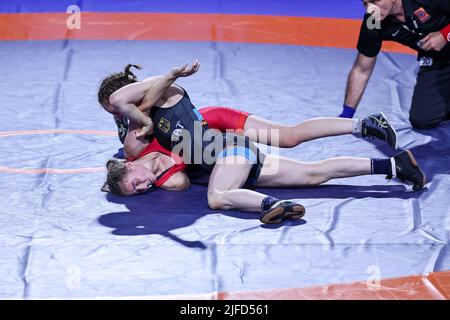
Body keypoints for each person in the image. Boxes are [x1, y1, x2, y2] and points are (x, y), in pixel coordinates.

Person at [100, 64, 426, 224]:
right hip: (221, 148)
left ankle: (362, 125)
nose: (144, 186)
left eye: (136, 184)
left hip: (221, 126)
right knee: (311, 174)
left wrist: (171, 77)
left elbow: (135, 103)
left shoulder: (143, 125)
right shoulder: (145, 132)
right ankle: (395, 166)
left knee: (289, 137)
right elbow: (178, 177)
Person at [339, 0, 450, 129]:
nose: (370, 9)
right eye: (365, 3)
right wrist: (346, 115)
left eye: (374, 1)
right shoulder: (373, 20)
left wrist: (444, 35)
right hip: (437, 59)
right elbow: (361, 70)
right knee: (422, 119)